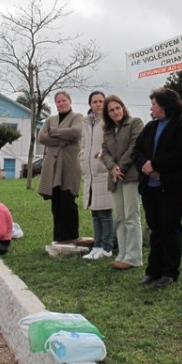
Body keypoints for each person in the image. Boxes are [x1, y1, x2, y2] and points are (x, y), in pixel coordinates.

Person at [132, 88, 182, 288]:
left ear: (165, 105)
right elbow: (137, 151)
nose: (151, 108)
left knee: (170, 228)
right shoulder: (150, 127)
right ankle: (153, 271)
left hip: (172, 188)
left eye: (154, 104)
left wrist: (156, 165)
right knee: (155, 228)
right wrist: (146, 166)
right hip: (150, 187)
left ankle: (169, 272)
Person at [99, 95, 144, 271]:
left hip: (130, 175)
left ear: (123, 108)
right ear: (107, 114)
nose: (115, 112)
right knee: (119, 217)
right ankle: (123, 254)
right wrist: (112, 167)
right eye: (111, 110)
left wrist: (120, 167)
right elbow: (103, 152)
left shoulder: (135, 123)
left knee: (131, 216)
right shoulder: (108, 130)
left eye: (118, 108)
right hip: (115, 178)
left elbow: (134, 146)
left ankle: (134, 257)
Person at [37, 91, 84, 244]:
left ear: (70, 101)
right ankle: (58, 237)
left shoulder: (77, 117)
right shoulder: (51, 119)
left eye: (64, 100)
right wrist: (62, 140)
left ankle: (71, 236)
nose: (61, 103)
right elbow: (42, 137)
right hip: (53, 165)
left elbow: (75, 133)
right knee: (56, 202)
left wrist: (55, 133)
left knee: (67, 201)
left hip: (70, 164)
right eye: (58, 101)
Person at [80, 91, 115, 260]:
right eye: (95, 101)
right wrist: (82, 158)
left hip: (102, 171)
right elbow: (83, 145)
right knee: (95, 212)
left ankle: (107, 247)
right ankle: (97, 245)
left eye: (101, 101)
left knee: (105, 213)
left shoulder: (108, 121)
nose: (98, 104)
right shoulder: (86, 122)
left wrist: (102, 158)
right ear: (90, 104)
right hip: (90, 173)